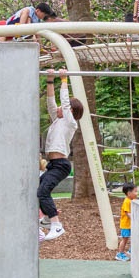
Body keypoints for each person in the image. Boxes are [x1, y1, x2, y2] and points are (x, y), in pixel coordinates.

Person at [38, 70, 84, 241]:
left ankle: (56, 225)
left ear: (69, 110)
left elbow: (64, 103)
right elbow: (51, 103)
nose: (57, 109)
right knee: (39, 189)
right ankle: (45, 218)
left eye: (63, 108)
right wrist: (50, 80)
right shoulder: (58, 120)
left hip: (61, 165)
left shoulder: (70, 122)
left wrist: (64, 79)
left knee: (43, 191)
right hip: (53, 165)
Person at [116, 184, 138, 261]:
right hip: (126, 225)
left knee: (134, 237)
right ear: (129, 193)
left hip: (130, 225)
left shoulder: (132, 201)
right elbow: (127, 213)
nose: (137, 193)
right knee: (125, 239)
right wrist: (135, 219)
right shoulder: (127, 201)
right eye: (135, 191)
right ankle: (120, 254)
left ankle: (130, 251)